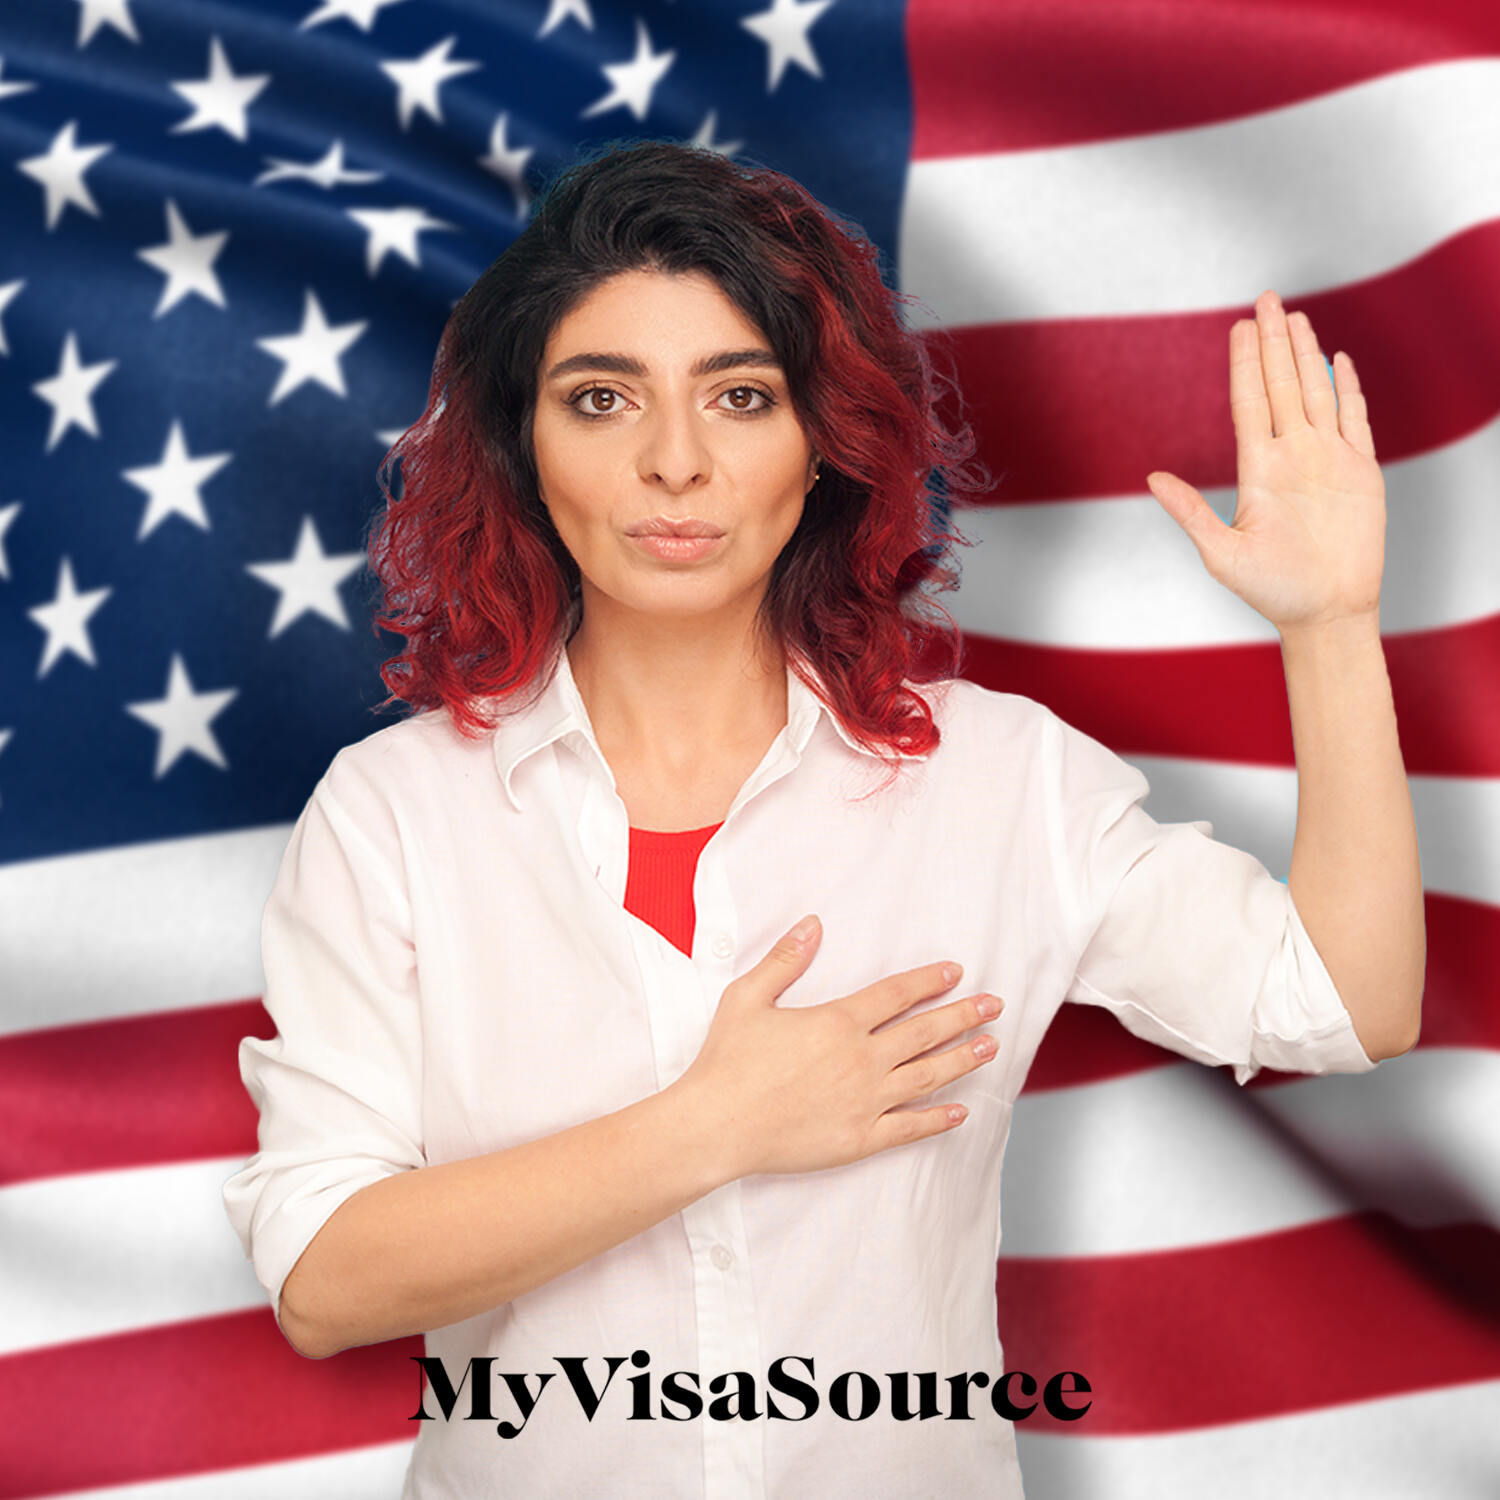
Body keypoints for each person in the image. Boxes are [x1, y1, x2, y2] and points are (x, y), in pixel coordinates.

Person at [222, 138, 1423, 1498]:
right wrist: (715, 1123)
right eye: (603, 398)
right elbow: (323, 1278)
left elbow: (1343, 1000)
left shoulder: (1001, 780)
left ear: (823, 450)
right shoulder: (394, 816)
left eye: (740, 396)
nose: (675, 464)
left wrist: (1331, 625)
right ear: (523, 445)